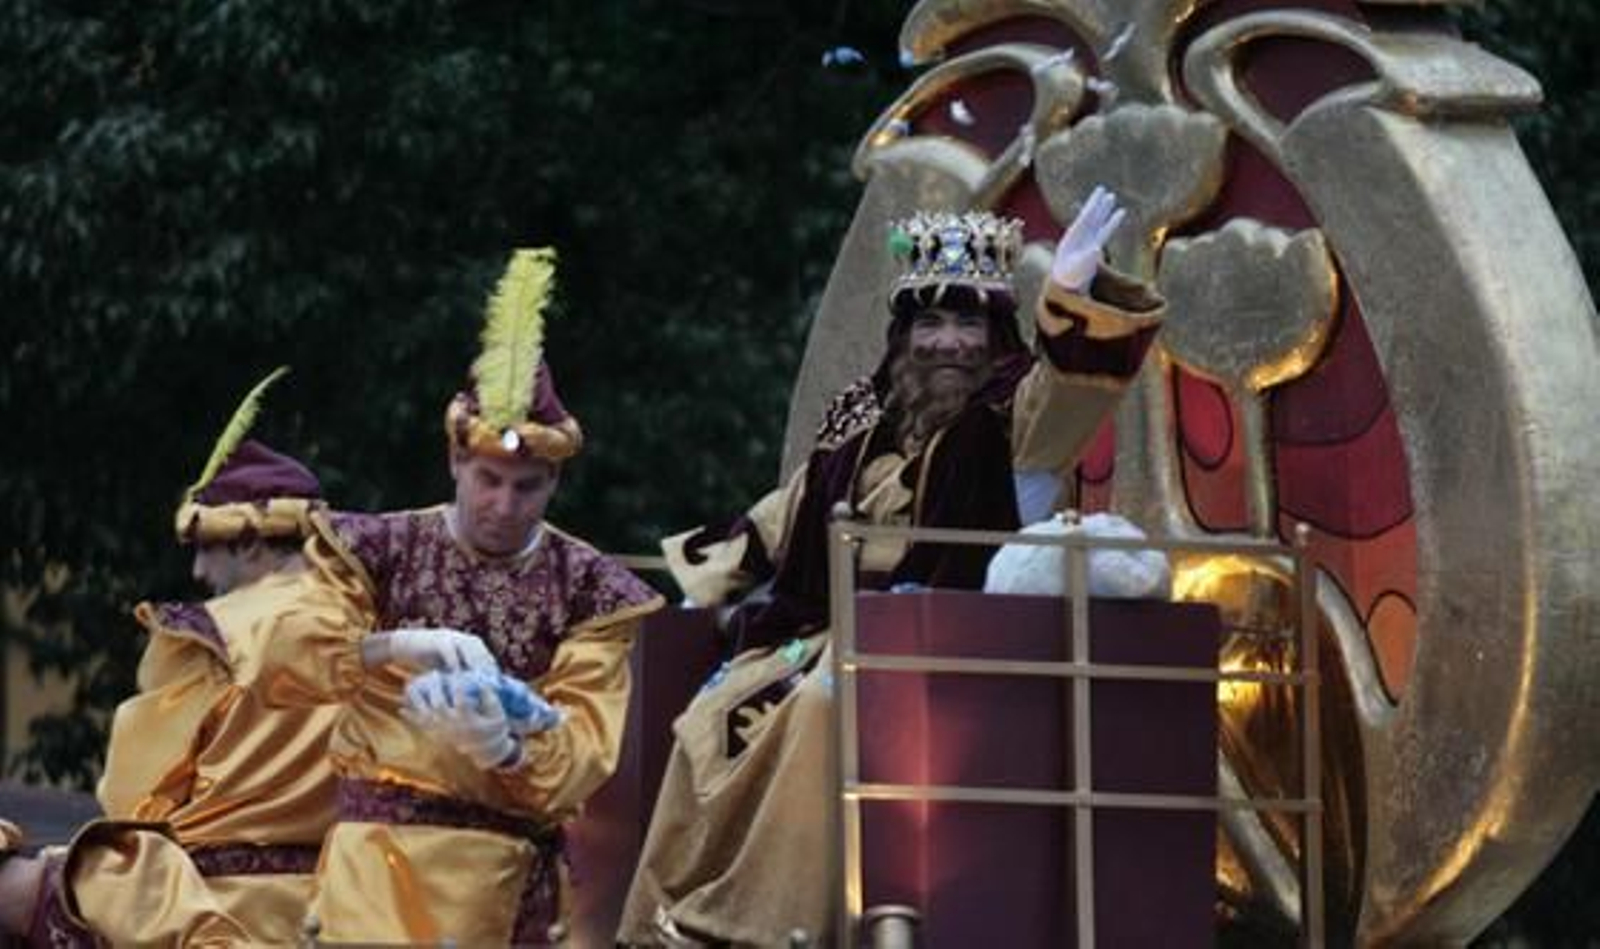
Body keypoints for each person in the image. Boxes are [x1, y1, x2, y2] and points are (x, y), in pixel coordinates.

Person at [618, 188, 1165, 946]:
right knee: (708, 717)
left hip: (949, 633)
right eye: (930, 322)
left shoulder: (1016, 411)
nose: (948, 343)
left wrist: (1072, 298)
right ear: (904, 335)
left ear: (995, 329)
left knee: (817, 709)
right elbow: (789, 509)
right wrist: (683, 581)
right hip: (822, 630)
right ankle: (661, 924)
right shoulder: (860, 414)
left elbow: (1072, 388)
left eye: (967, 321)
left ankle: (767, 926)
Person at [246, 248, 664, 945]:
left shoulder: (589, 588)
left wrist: (506, 748)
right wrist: (393, 643)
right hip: (373, 868)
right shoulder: (371, 548)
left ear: (555, 483)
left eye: (527, 485)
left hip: (500, 883)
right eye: (487, 478)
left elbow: (582, 755)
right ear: (454, 461)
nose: (504, 503)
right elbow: (281, 656)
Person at [0, 372, 351, 945]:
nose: (197, 574)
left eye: (205, 550)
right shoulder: (377, 628)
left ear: (248, 541)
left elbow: (133, 795)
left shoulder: (208, 632)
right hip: (352, 905)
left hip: (209, 910)